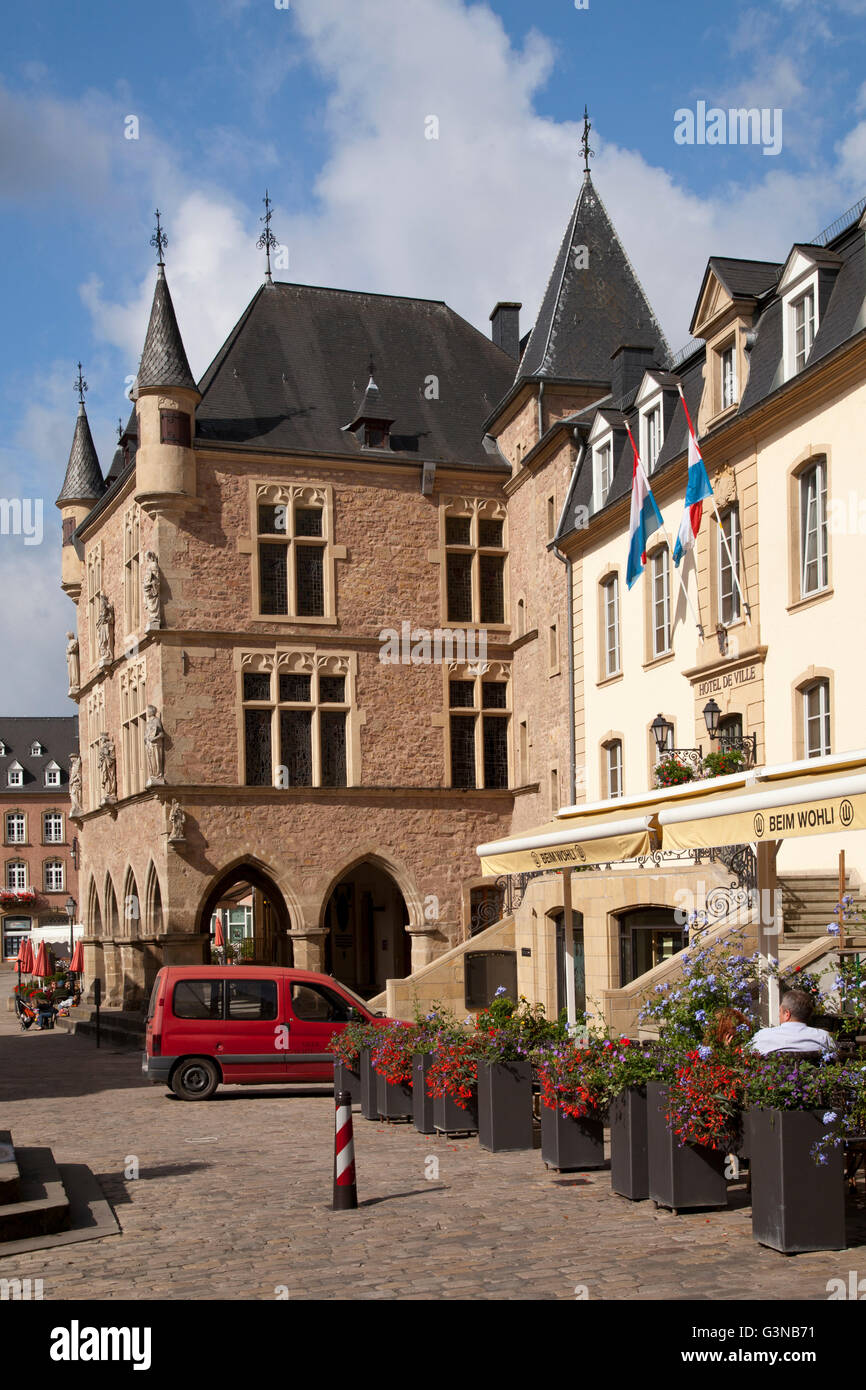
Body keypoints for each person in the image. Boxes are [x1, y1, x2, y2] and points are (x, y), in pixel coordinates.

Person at [748, 989, 835, 1056]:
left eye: (779, 1011)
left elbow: (744, 1057)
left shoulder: (763, 1036)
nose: (778, 1015)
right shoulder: (823, 1037)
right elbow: (836, 1061)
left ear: (786, 1014)